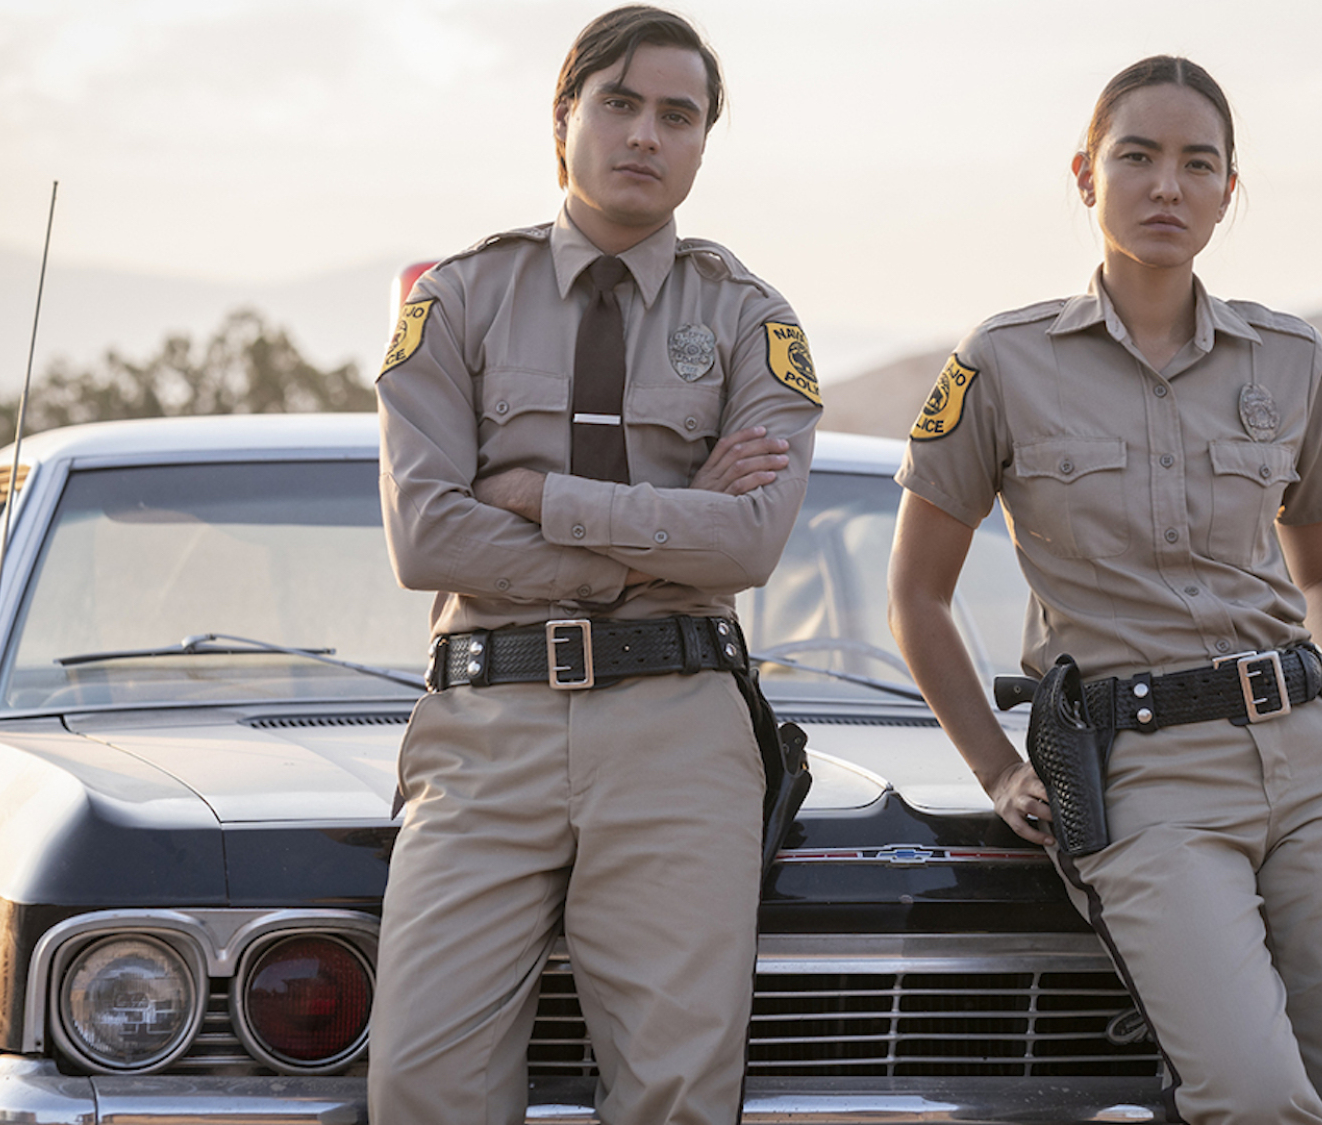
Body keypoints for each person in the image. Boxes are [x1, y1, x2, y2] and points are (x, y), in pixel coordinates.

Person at [887, 56, 1322, 1125]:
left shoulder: (1291, 356)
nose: (1165, 186)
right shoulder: (1002, 361)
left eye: (1196, 163)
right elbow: (916, 597)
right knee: (1255, 1095)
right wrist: (995, 770)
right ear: (1086, 175)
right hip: (1143, 781)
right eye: (1137, 157)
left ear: (1228, 191)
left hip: (1321, 766)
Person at [370, 7, 821, 1124]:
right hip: (486, 731)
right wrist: (659, 533)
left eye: (678, 115)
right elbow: (426, 539)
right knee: (422, 1083)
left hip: (680, 730)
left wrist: (542, 501)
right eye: (617, 103)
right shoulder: (457, 301)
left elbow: (751, 541)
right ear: (561, 119)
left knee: (676, 1096)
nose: (644, 135)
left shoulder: (750, 320)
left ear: (704, 142)